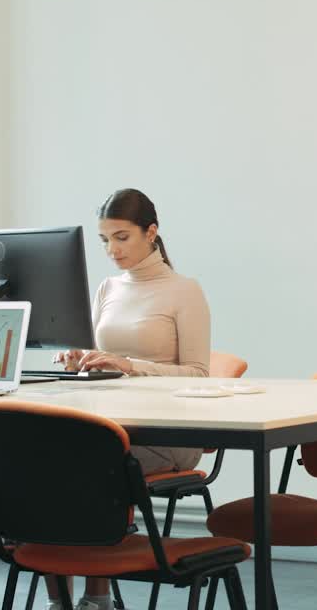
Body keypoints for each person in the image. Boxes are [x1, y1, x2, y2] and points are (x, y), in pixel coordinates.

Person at [47, 188, 211, 610]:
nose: (112, 250)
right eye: (105, 240)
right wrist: (81, 360)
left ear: (151, 233)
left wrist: (131, 365)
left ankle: (96, 599)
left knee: (83, 463)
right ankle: (58, 602)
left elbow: (199, 374)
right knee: (43, 460)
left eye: (122, 237)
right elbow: (100, 359)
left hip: (169, 433)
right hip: (111, 424)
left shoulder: (184, 291)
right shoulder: (108, 288)